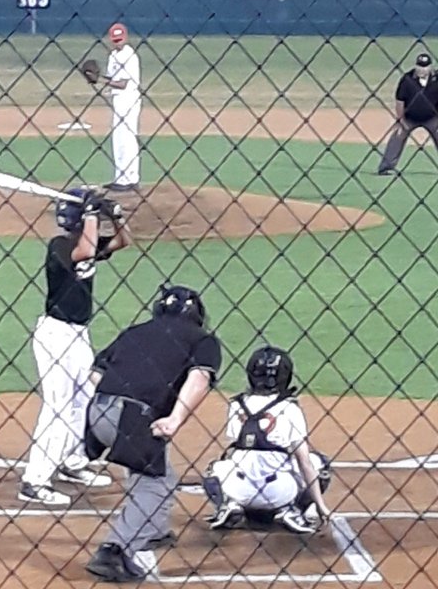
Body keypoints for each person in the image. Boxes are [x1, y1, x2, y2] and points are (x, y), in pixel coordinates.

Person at [85, 285, 222, 583]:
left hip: (98, 411)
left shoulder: (134, 332)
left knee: (155, 469)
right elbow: (199, 378)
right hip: (131, 418)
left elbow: (95, 373)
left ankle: (154, 530)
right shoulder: (203, 339)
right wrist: (175, 418)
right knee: (156, 484)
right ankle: (114, 551)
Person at [19, 189, 131, 505]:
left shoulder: (85, 241)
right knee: (58, 406)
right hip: (55, 335)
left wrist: (115, 216)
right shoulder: (60, 246)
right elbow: (86, 250)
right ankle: (34, 480)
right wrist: (93, 214)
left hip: (79, 334)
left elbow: (123, 241)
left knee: (84, 398)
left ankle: (72, 461)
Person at [202, 345, 331, 536]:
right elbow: (304, 463)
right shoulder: (290, 408)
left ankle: (228, 505)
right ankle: (291, 510)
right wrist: (321, 506)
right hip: (280, 493)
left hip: (239, 490)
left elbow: (237, 445)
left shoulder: (236, 405)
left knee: (215, 468)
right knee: (319, 463)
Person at [378, 51, 438, 175]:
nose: (422, 69)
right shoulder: (407, 79)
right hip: (409, 118)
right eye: (419, 66)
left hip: (432, 118)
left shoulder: (436, 79)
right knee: (397, 136)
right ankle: (386, 167)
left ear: (430, 67)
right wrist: (400, 120)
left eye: (425, 66)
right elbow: (400, 101)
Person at [104, 22, 141, 192]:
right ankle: (120, 178)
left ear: (125, 38)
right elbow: (112, 79)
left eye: (120, 39)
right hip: (118, 100)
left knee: (127, 138)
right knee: (118, 138)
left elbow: (122, 84)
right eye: (115, 40)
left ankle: (130, 179)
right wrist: (97, 78)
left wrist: (99, 80)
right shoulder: (113, 56)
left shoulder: (129, 55)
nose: (117, 42)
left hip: (129, 98)